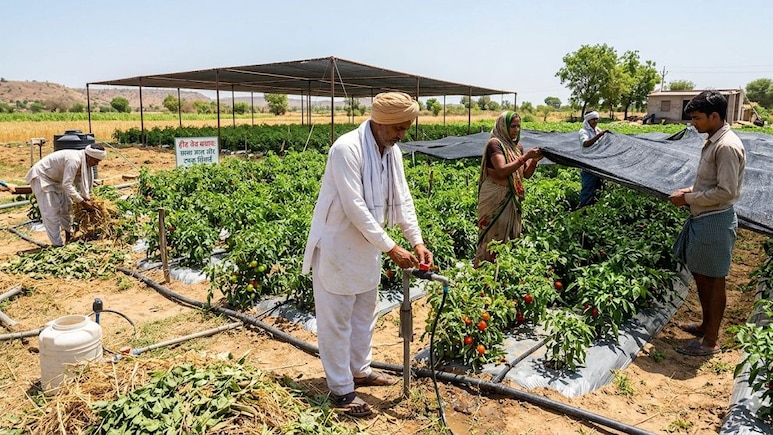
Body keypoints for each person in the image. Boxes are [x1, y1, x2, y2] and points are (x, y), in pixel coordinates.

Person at [302, 92, 433, 417]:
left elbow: (403, 199)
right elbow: (355, 207)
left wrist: (416, 241)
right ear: (381, 121)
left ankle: (360, 371)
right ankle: (341, 390)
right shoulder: (346, 149)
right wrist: (391, 247)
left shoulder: (392, 152)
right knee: (337, 322)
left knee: (364, 315)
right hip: (339, 247)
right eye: (399, 128)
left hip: (367, 248)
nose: (402, 134)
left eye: (406, 128)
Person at [669, 90, 746, 356]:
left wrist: (688, 198)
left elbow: (726, 191)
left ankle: (711, 341)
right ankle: (705, 326)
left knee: (714, 280)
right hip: (704, 217)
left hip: (715, 220)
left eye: (697, 118)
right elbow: (711, 184)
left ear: (714, 116)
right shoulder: (714, 141)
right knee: (703, 275)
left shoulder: (726, 146)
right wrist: (689, 191)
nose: (692, 123)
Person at [475, 111, 542, 266]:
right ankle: (484, 271)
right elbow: (501, 170)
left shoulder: (517, 146)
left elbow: (526, 174)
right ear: (503, 126)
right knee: (492, 237)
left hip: (511, 197)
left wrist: (534, 161)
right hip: (495, 196)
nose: (516, 130)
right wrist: (525, 157)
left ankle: (505, 270)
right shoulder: (495, 144)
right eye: (512, 126)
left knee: (510, 237)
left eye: (518, 126)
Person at [25, 144, 106, 246]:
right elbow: (67, 184)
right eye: (96, 161)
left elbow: (79, 181)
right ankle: (57, 244)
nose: (96, 164)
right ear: (90, 157)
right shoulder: (74, 160)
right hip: (43, 177)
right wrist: (82, 202)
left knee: (66, 208)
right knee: (51, 212)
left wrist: (87, 197)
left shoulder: (84, 163)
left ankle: (69, 237)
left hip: (57, 180)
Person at [578, 111, 609, 207]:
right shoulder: (583, 131)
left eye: (596, 119)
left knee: (599, 187)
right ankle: (583, 207)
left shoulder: (597, 130)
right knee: (588, 187)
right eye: (593, 119)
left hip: (598, 163)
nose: (595, 121)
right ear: (588, 120)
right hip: (588, 163)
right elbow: (585, 143)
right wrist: (599, 135)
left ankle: (595, 207)